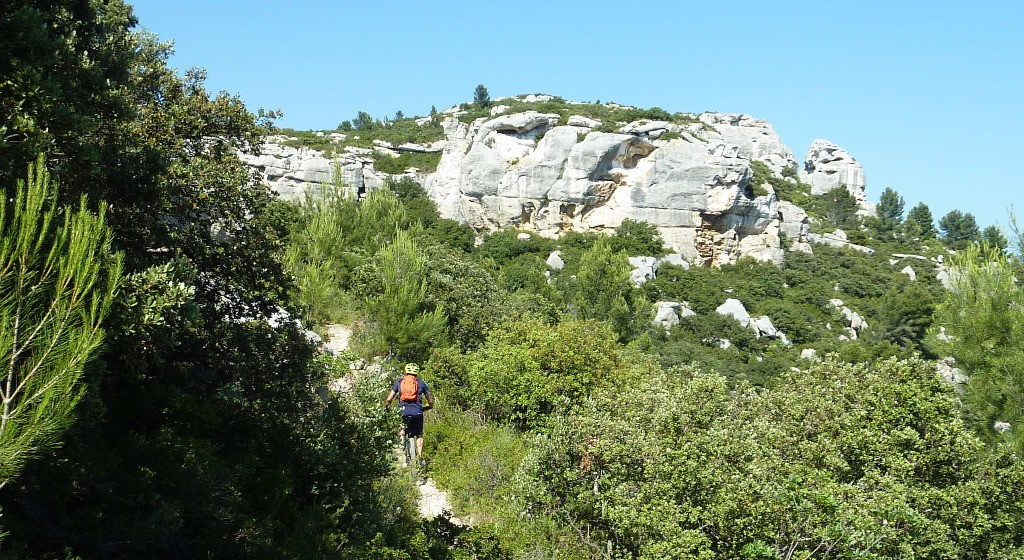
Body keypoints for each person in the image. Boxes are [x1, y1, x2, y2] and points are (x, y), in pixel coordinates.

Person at [384, 362, 434, 464]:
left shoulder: (400, 382)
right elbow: (430, 400)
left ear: (406, 371)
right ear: (417, 372)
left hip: (402, 411)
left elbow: (389, 399)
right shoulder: (421, 383)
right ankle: (419, 457)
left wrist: (387, 406)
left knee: (401, 426)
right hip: (417, 412)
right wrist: (429, 406)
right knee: (419, 434)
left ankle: (402, 445)